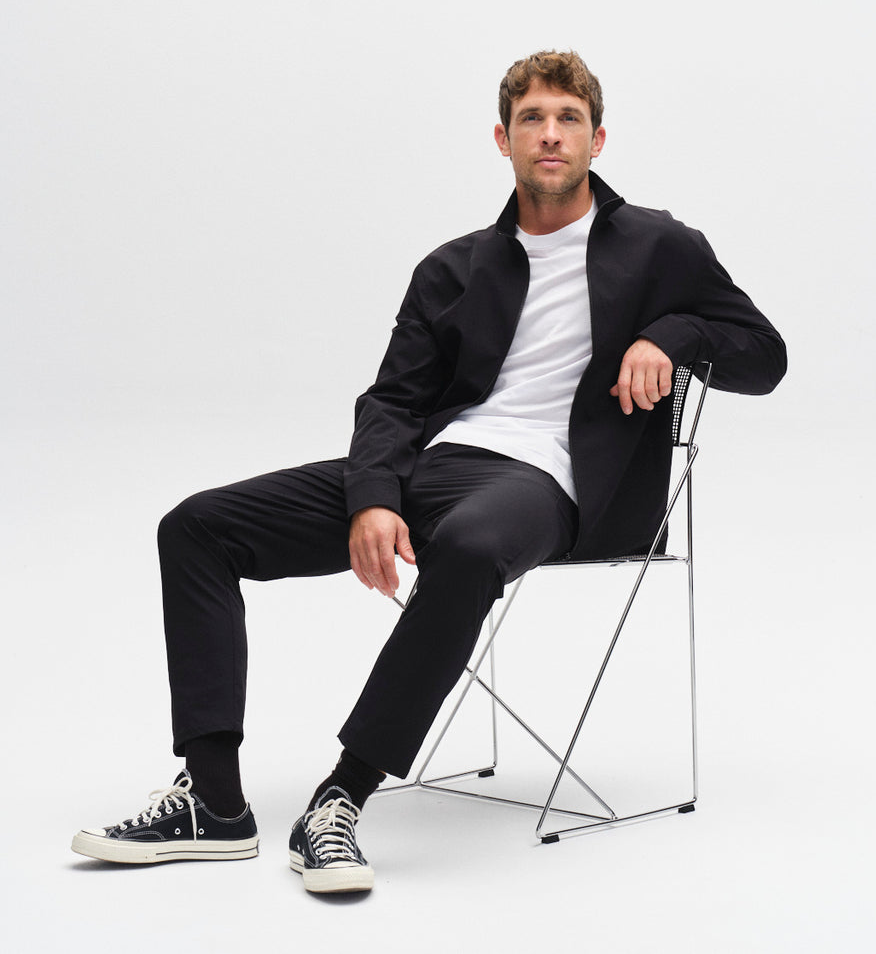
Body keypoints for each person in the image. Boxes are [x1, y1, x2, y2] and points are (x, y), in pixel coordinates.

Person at [71, 50, 786, 892]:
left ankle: (341, 797)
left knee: (473, 544)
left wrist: (674, 337)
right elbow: (391, 402)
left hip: (554, 486)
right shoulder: (454, 266)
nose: (549, 134)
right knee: (196, 525)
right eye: (530, 119)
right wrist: (374, 496)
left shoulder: (661, 246)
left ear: (598, 138)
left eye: (566, 119)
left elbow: (764, 357)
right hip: (438, 467)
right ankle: (215, 804)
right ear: (502, 138)